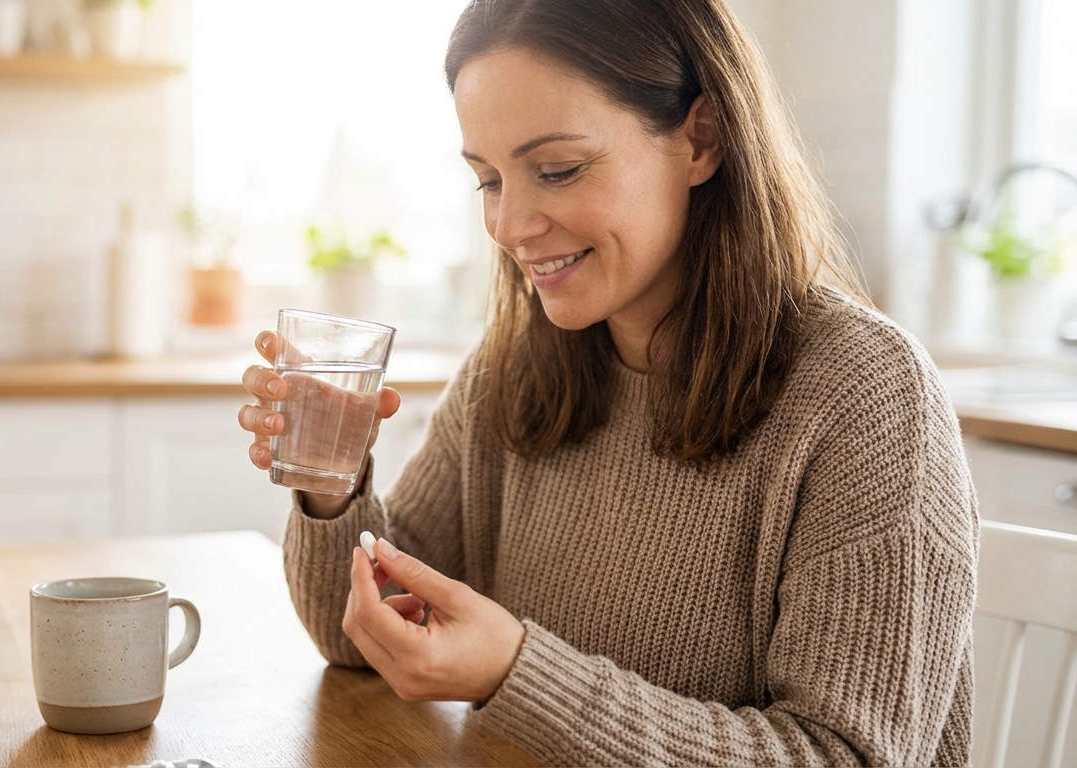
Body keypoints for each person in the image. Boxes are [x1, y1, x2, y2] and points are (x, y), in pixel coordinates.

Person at [237, 0, 977, 764]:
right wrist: (330, 478)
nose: (511, 224)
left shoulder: (869, 397)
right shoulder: (514, 368)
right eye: (488, 180)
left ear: (703, 138)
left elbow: (847, 755)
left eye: (556, 170)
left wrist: (519, 674)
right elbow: (359, 636)